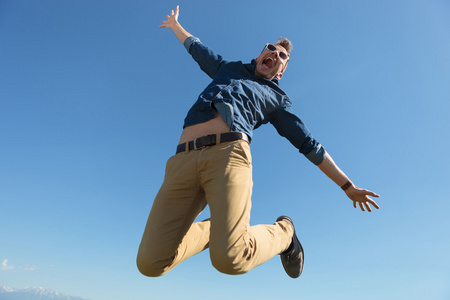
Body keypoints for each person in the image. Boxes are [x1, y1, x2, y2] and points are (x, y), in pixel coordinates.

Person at [136, 6, 380, 279]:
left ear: (280, 72)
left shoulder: (277, 98)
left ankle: (285, 233)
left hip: (228, 157)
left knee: (230, 259)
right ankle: (214, 229)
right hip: (182, 161)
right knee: (150, 263)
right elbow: (196, 48)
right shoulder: (226, 68)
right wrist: (175, 25)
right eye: (271, 49)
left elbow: (309, 144)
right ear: (259, 55)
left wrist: (347, 185)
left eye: (282, 56)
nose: (275, 54)